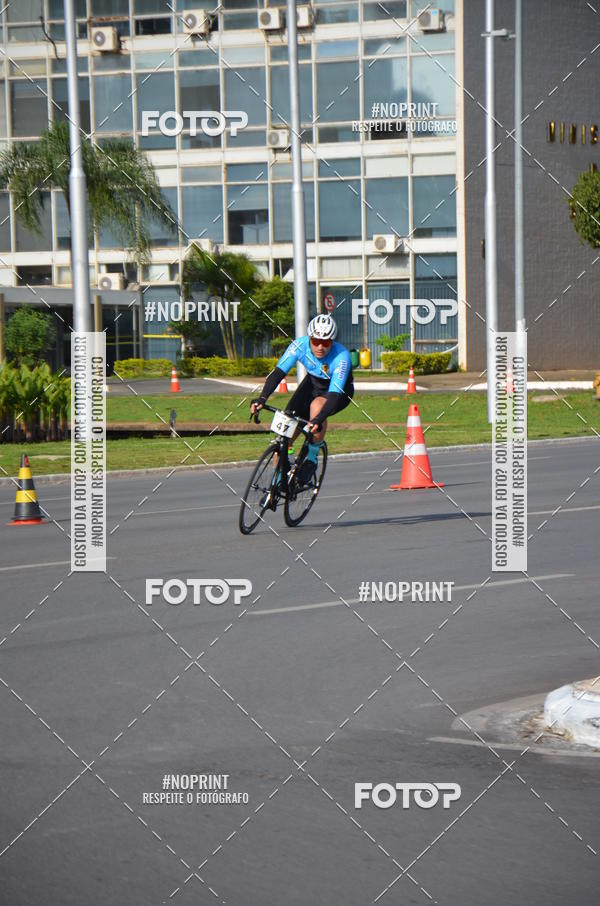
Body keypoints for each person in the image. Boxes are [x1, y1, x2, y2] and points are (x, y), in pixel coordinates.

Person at [250, 314, 354, 483]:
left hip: (337, 392)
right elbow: (278, 373)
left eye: (326, 342)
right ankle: (276, 485)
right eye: (315, 341)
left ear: (332, 342)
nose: (320, 347)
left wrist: (318, 419)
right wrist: (262, 398)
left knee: (317, 407)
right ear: (309, 338)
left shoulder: (341, 356)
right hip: (311, 385)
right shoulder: (299, 345)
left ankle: (312, 458)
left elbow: (334, 394)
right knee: (284, 433)